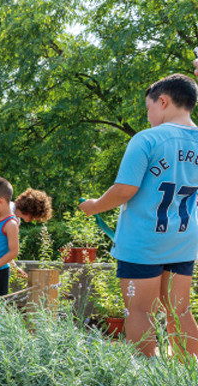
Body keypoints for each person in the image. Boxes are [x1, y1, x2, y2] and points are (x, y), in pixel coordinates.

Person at [80, 73, 198, 358]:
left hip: (144, 241)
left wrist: (94, 206)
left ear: (163, 100)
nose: (148, 116)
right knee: (180, 309)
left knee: (139, 309)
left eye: (149, 108)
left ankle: (147, 377)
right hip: (182, 239)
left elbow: (124, 190)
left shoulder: (147, 139)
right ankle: (189, 374)